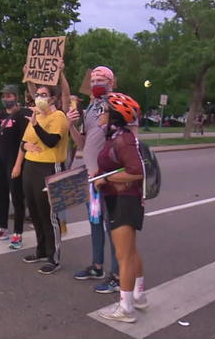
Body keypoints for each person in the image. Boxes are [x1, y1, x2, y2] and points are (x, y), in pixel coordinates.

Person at [93, 93, 147, 323]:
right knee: (131, 252)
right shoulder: (116, 136)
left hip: (123, 200)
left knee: (123, 256)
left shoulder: (122, 139)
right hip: (122, 198)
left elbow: (136, 171)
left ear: (114, 114)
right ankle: (139, 296)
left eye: (103, 110)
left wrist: (105, 180)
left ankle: (126, 309)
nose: (100, 114)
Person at [67, 66, 121, 293]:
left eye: (101, 79)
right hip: (90, 176)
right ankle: (97, 266)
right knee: (95, 222)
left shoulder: (118, 104)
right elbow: (83, 145)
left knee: (113, 227)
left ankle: (117, 275)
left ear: (111, 81)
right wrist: (70, 124)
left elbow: (128, 140)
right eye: (94, 79)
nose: (96, 82)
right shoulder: (90, 108)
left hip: (108, 177)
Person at [19, 85, 69, 274]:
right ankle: (40, 249)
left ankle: (53, 257)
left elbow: (51, 141)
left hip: (49, 167)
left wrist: (36, 125)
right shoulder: (35, 116)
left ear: (53, 99)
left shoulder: (58, 117)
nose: (39, 98)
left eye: (44, 95)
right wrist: (26, 147)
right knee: (35, 212)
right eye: (37, 94)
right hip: (31, 167)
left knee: (49, 214)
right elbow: (23, 143)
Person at [0, 85, 30, 249]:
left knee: (17, 197)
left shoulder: (23, 114)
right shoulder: (2, 115)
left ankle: (18, 234)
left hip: (15, 159)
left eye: (9, 96)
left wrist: (19, 164)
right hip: (1, 159)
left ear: (16, 97)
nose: (5, 99)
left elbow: (25, 141)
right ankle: (2, 227)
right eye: (3, 96)